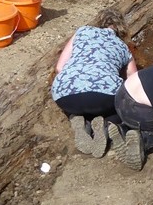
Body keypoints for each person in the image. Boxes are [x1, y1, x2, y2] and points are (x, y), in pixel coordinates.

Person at [51, 9, 138, 158]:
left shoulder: (82, 31)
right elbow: (133, 78)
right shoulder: (122, 46)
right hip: (103, 97)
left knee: (79, 100)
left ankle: (80, 120)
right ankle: (106, 124)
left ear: (99, 22)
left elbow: (59, 68)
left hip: (64, 96)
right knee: (120, 107)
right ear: (121, 28)